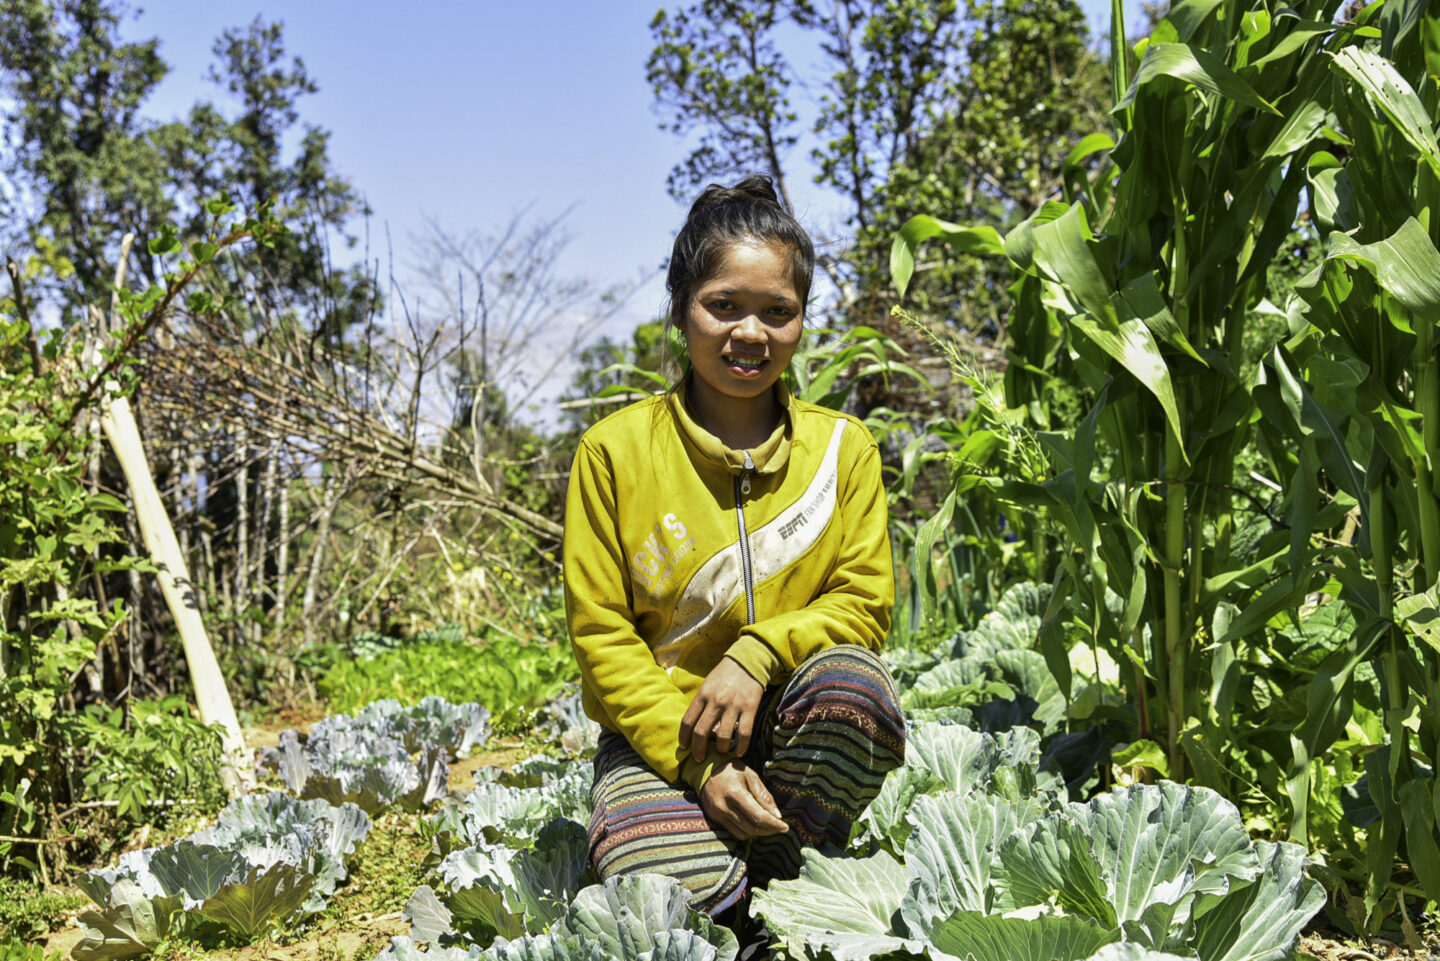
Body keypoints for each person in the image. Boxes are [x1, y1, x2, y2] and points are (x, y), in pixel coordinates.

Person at [562, 175, 906, 925]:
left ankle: (786, 864)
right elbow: (602, 638)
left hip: (794, 733)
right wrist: (701, 762)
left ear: (801, 322)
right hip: (664, 739)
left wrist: (757, 654)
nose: (751, 333)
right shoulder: (613, 452)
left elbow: (864, 604)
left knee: (857, 687)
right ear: (683, 306)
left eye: (777, 312)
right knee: (663, 885)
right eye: (725, 306)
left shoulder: (844, 449)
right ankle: (737, 893)